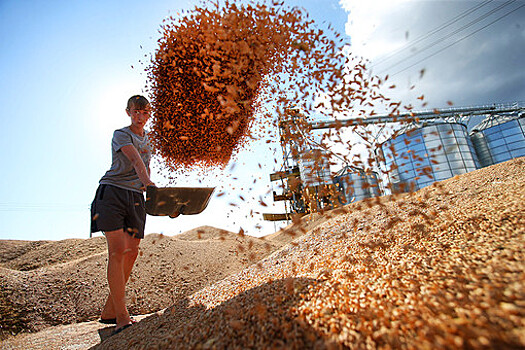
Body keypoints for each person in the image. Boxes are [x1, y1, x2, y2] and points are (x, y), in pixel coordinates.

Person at [90, 95, 155, 334]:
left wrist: (158, 200)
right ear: (128, 112)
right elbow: (136, 161)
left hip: (136, 196)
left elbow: (147, 165)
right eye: (136, 112)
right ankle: (121, 316)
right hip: (113, 194)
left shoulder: (150, 139)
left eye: (145, 112)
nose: (140, 117)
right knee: (117, 251)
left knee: (132, 251)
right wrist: (149, 183)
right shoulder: (121, 134)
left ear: (149, 114)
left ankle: (109, 309)